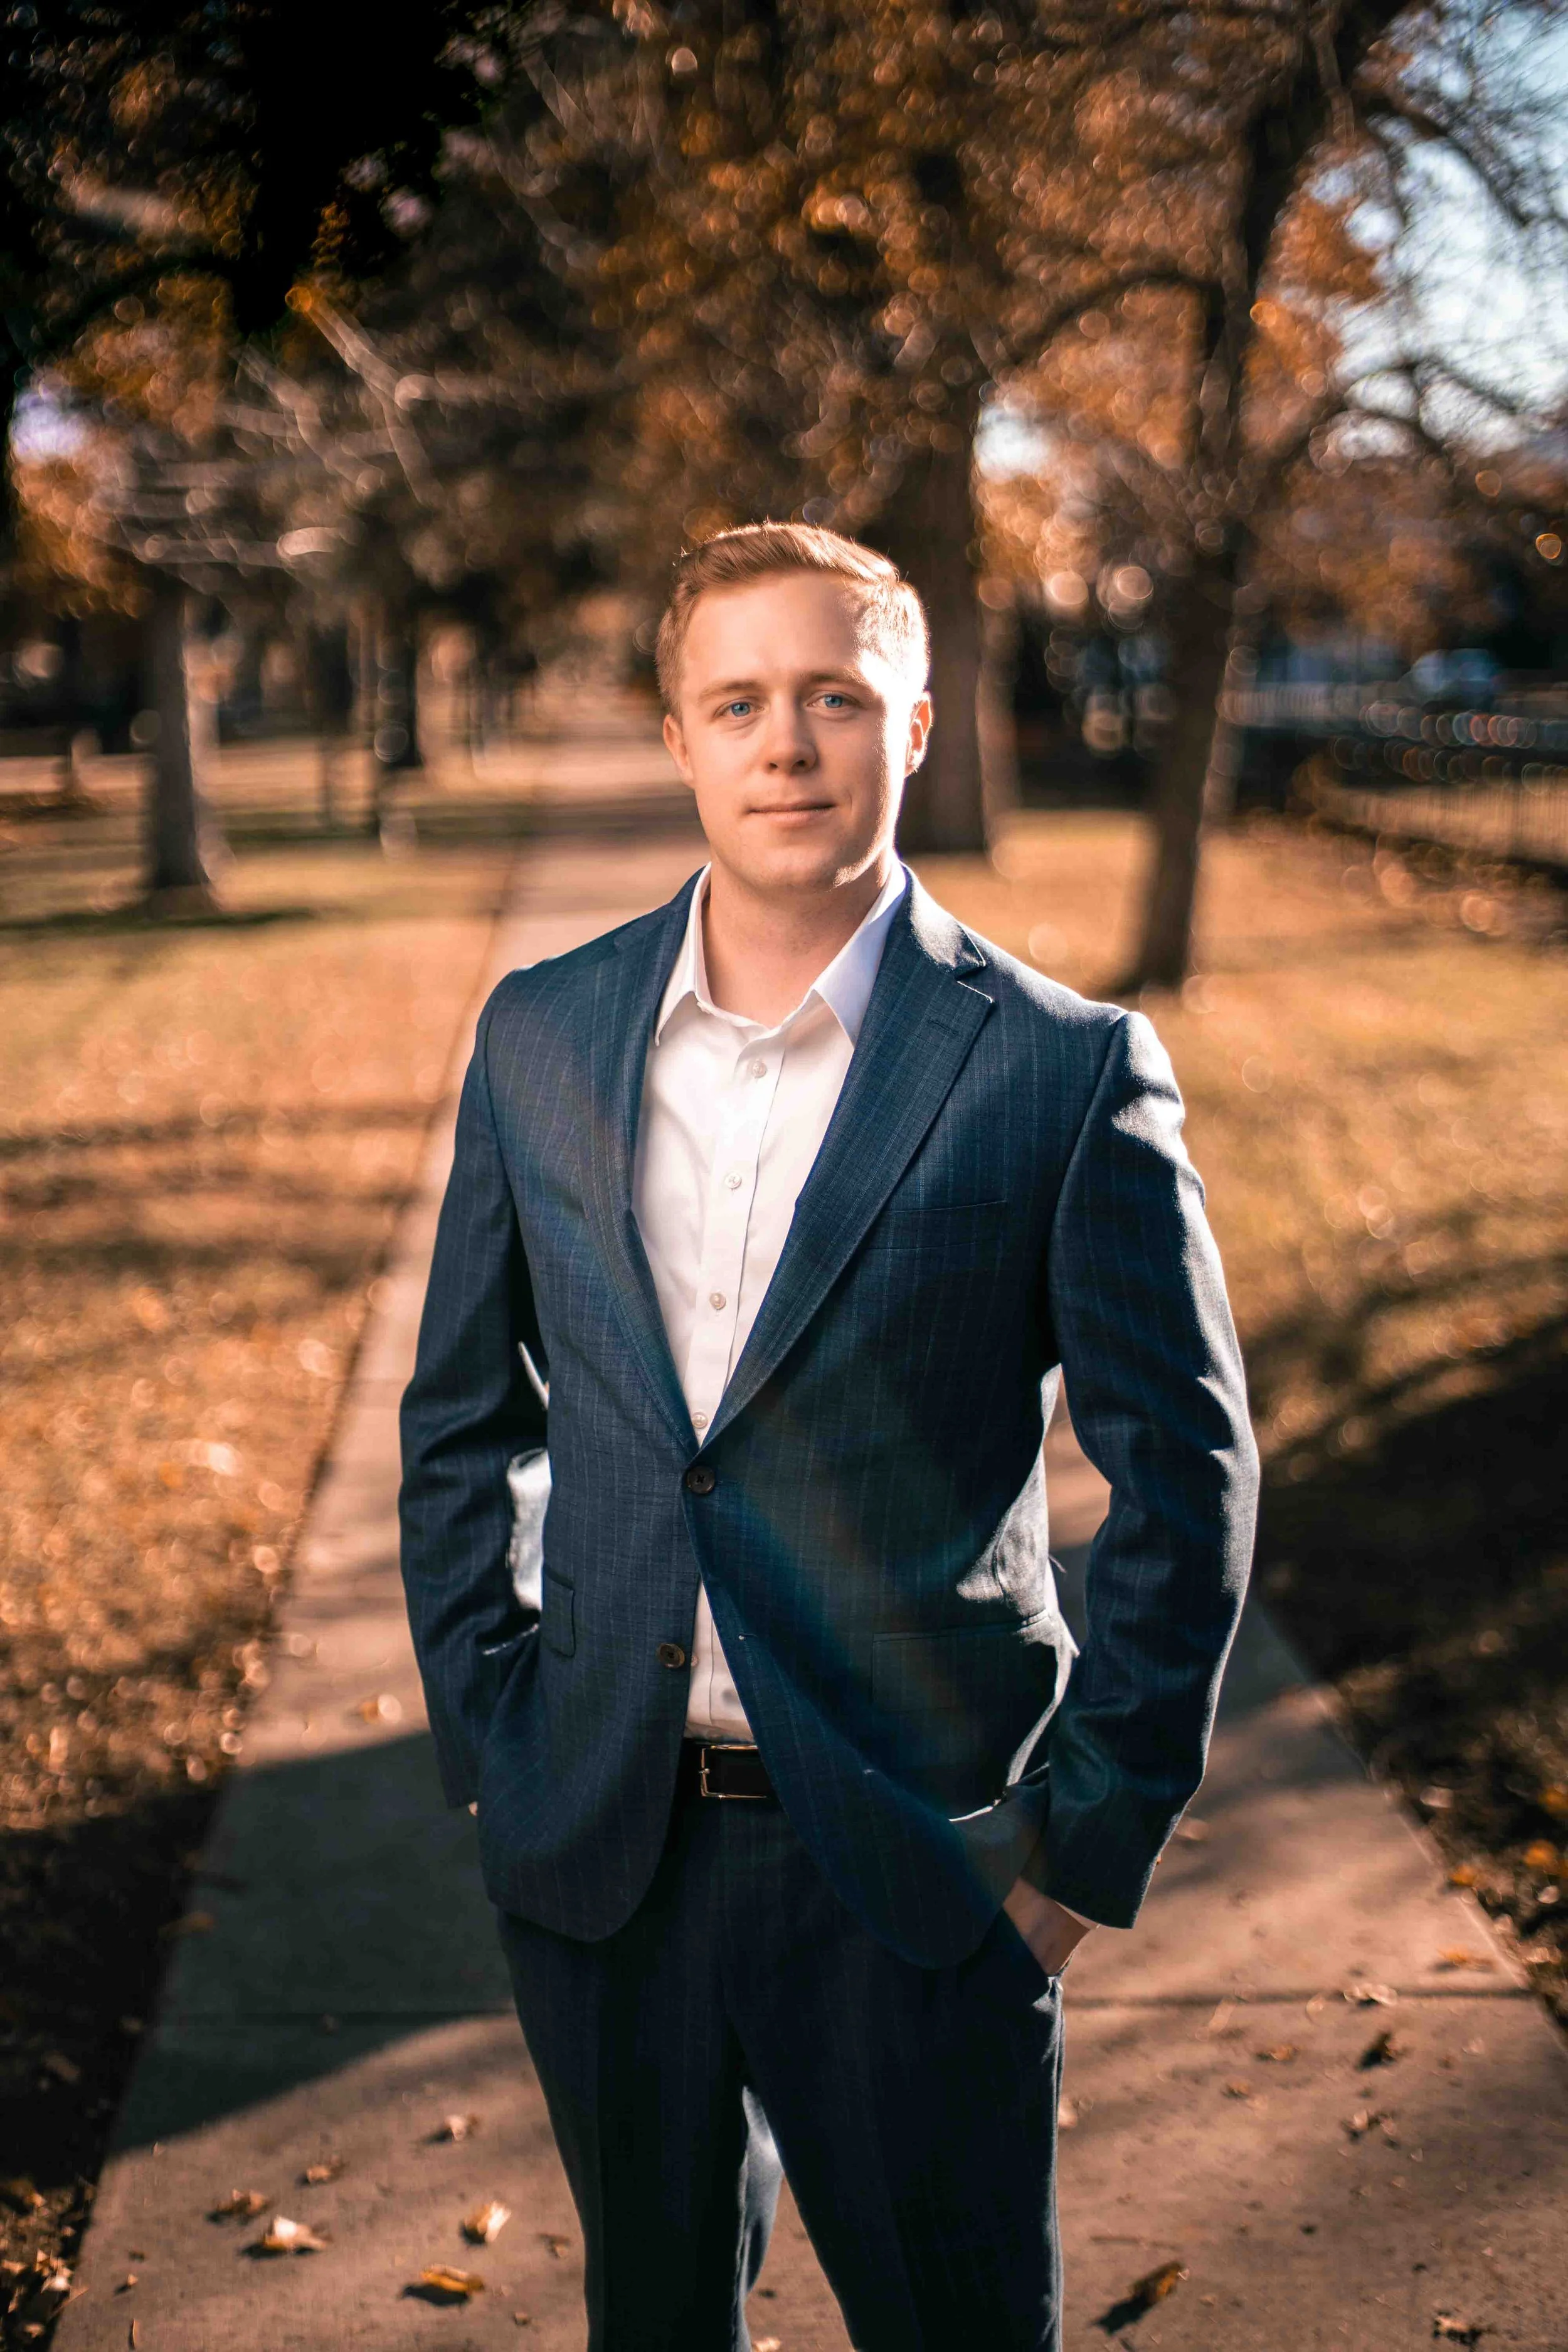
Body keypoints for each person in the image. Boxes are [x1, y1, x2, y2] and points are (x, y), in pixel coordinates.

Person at [399, 523, 1258, 2351]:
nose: (784, 743)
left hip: (920, 1867)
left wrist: (1079, 1846)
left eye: (832, 699)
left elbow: (1185, 1479)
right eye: (737, 702)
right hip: (603, 1849)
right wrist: (493, 1730)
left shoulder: (1060, 1066)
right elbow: (466, 1414)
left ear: (917, 725)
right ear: (679, 735)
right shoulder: (543, 1035)